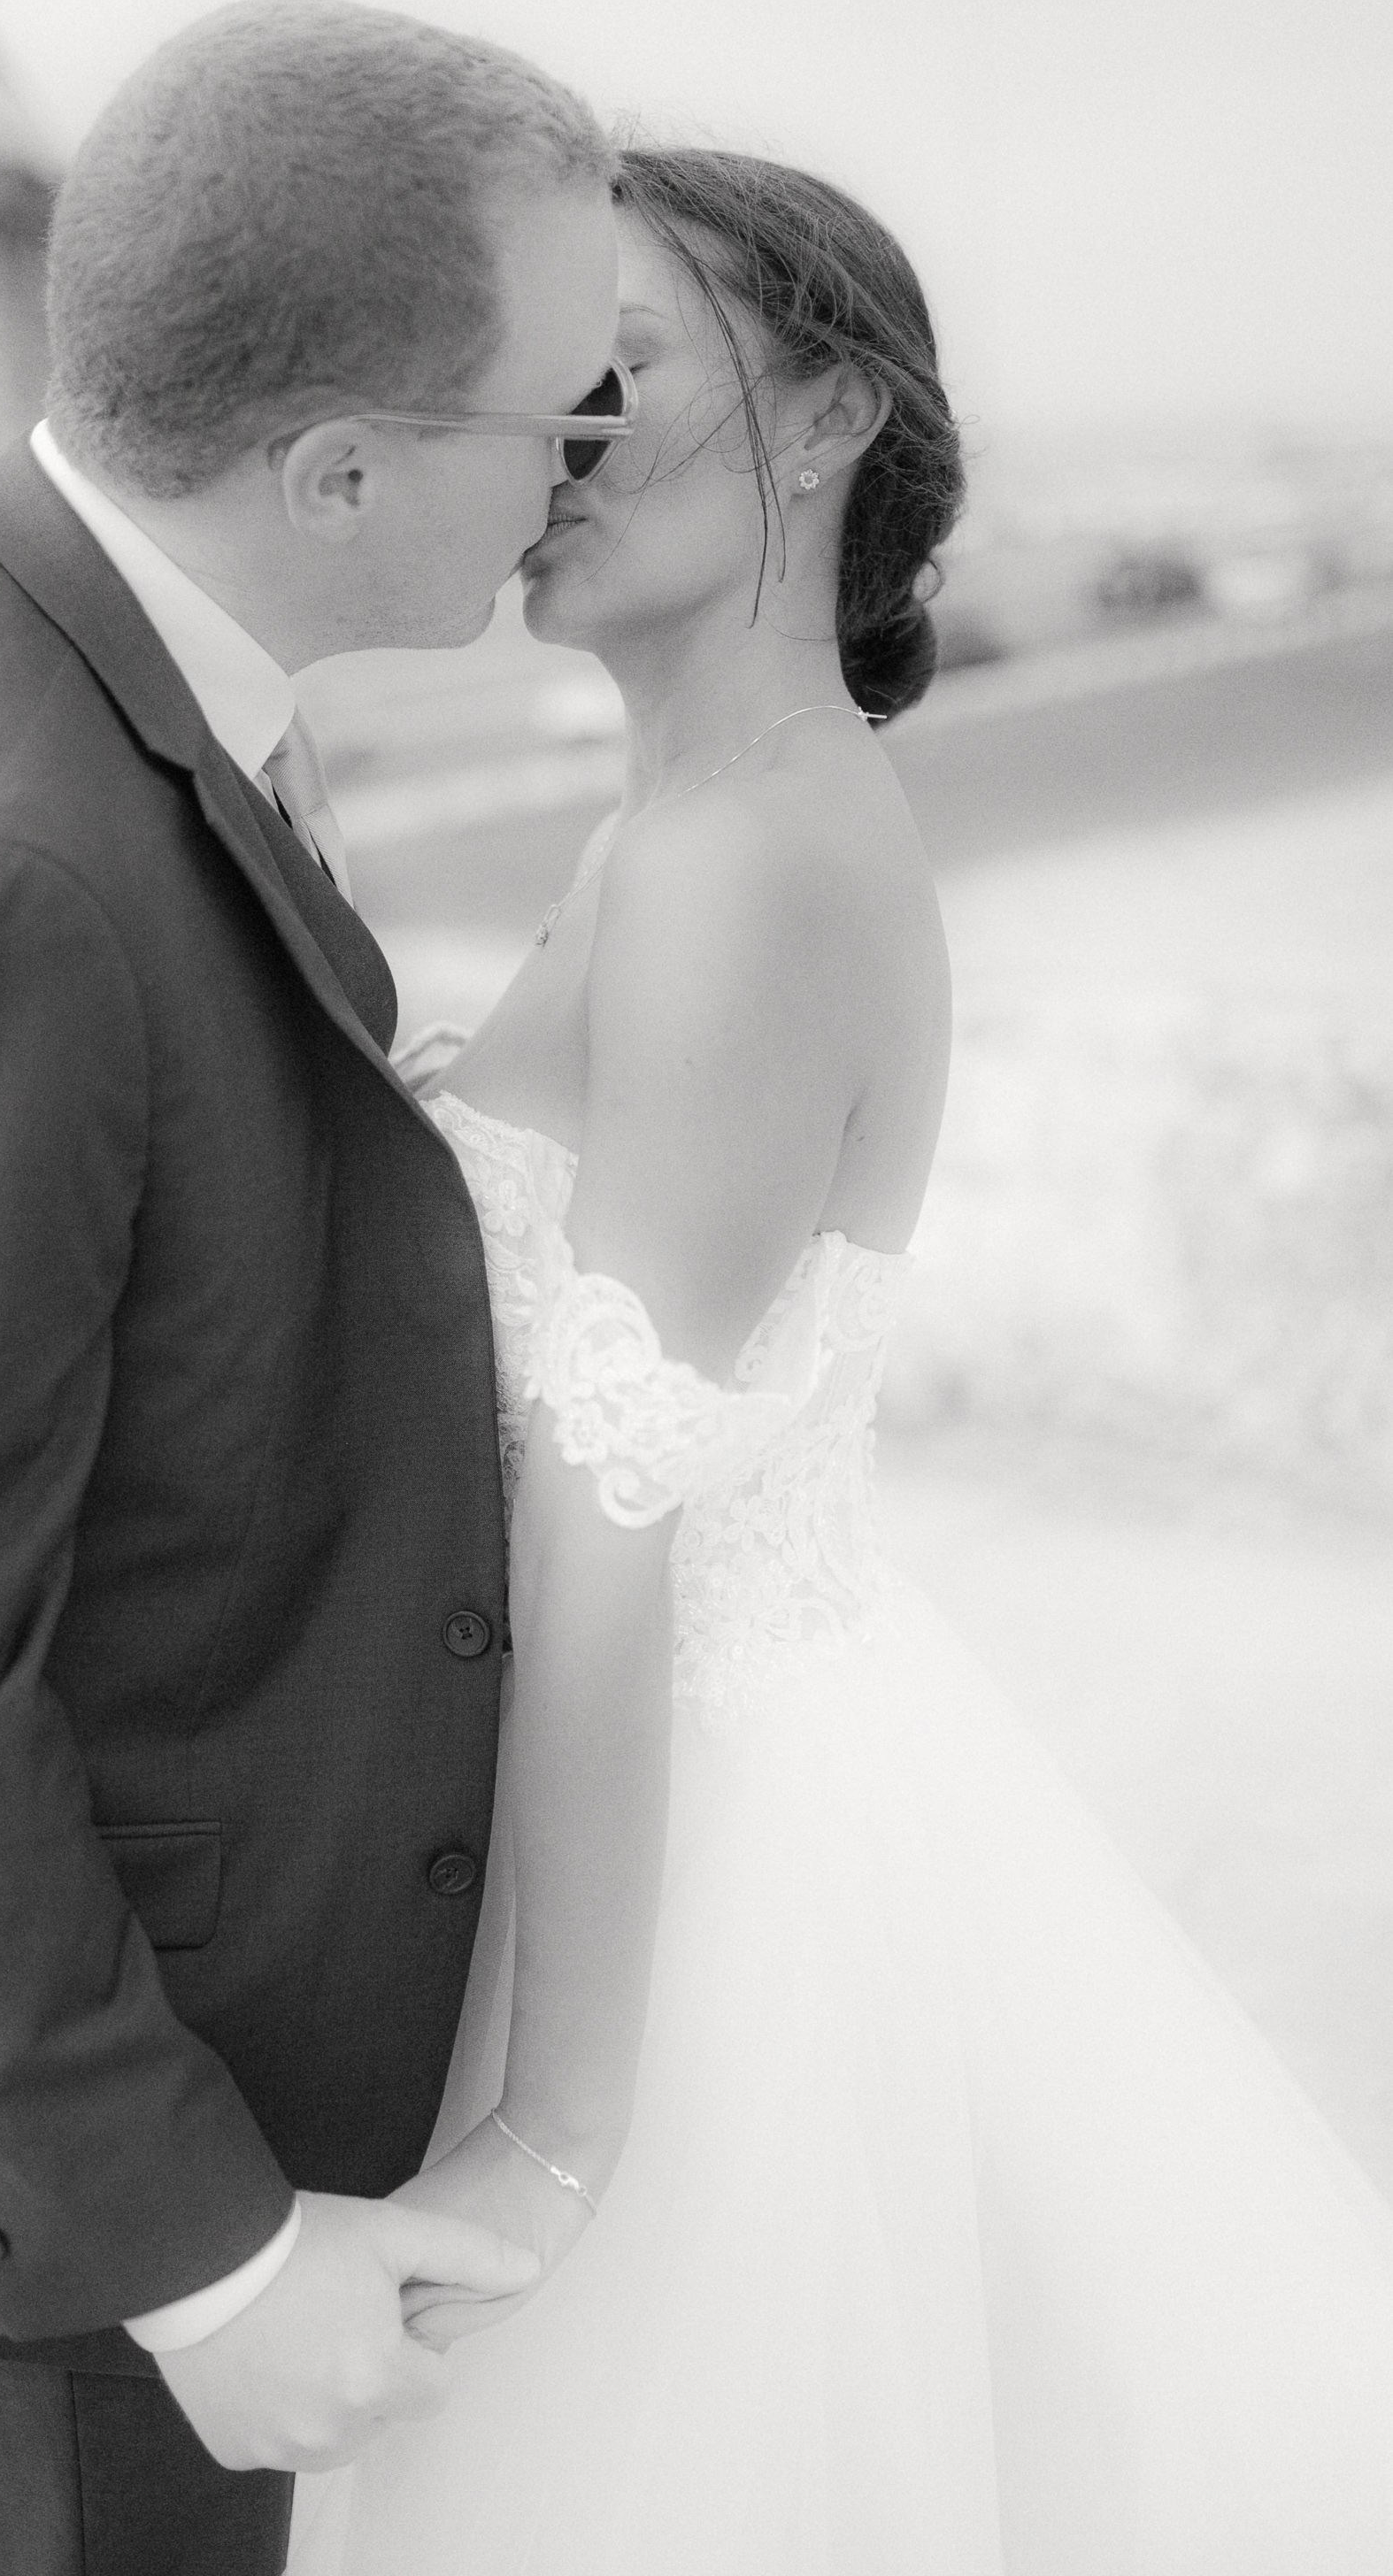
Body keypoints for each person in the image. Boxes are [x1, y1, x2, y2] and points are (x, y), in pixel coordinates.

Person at [288, 148, 1393, 2574]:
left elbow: (608, 1498)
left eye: (619, 372)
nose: (543, 438)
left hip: (672, 1887)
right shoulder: (682, 819)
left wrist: (553, 2134)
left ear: (817, 422)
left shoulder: (744, 858)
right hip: (662, 1784)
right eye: (520, 383)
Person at [0, 0, 634, 2576]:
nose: (583, 466)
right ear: (336, 466)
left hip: (48, 2089)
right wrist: (195, 2251)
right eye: (558, 412)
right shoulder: (4, 862)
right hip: (84, 2173)